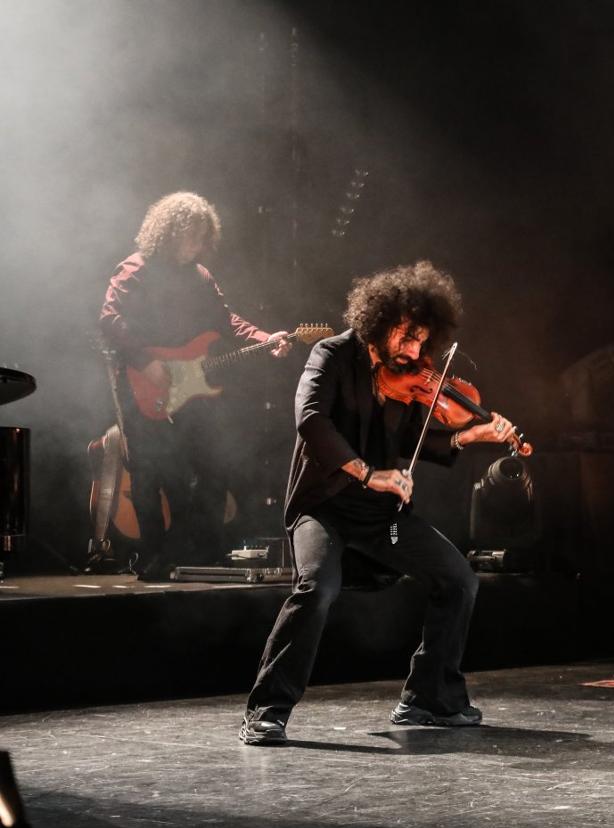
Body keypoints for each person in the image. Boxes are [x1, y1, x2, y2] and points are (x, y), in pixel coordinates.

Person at [239, 261, 519, 746]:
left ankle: (428, 699)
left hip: (379, 517)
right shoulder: (330, 354)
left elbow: (413, 441)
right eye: (406, 337)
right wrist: (368, 473)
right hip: (323, 507)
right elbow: (312, 422)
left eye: (421, 342)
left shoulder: (407, 374)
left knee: (458, 579)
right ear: (381, 320)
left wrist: (469, 435)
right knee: (317, 588)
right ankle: (266, 710)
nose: (413, 352)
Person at [99, 191, 291, 579]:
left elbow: (226, 320)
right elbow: (110, 319)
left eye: (202, 237)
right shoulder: (135, 270)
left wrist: (264, 338)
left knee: (208, 468)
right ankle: (152, 558)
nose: (196, 245)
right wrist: (146, 361)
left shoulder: (200, 276)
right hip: (141, 382)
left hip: (187, 389)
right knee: (149, 471)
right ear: (169, 232)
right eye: (191, 236)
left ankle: (187, 553)